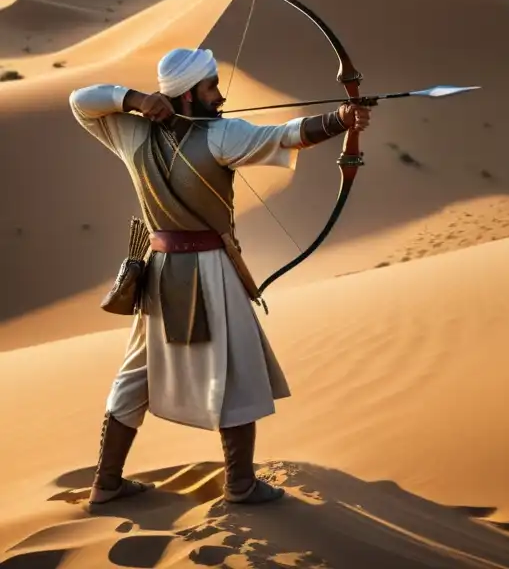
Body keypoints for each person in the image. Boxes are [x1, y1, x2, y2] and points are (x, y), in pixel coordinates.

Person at [69, 46, 371, 508]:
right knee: (237, 368)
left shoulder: (130, 133)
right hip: (209, 270)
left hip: (159, 273)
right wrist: (340, 120)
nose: (220, 95)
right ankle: (241, 485)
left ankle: (106, 482)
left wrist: (130, 101)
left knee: (138, 373)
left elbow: (85, 102)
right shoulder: (221, 136)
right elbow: (289, 135)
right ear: (189, 94)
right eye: (210, 87)